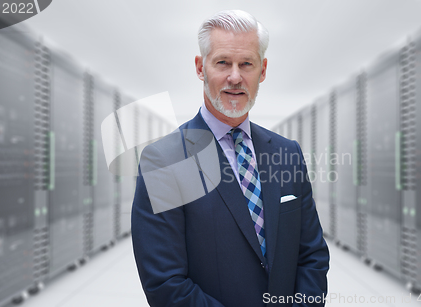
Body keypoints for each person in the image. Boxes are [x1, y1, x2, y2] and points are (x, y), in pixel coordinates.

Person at [132, 10, 329, 307]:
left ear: (262, 71)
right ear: (201, 68)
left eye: (246, 64)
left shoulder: (287, 154)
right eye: (223, 62)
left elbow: (312, 256)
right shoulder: (164, 161)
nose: (235, 77)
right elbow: (165, 284)